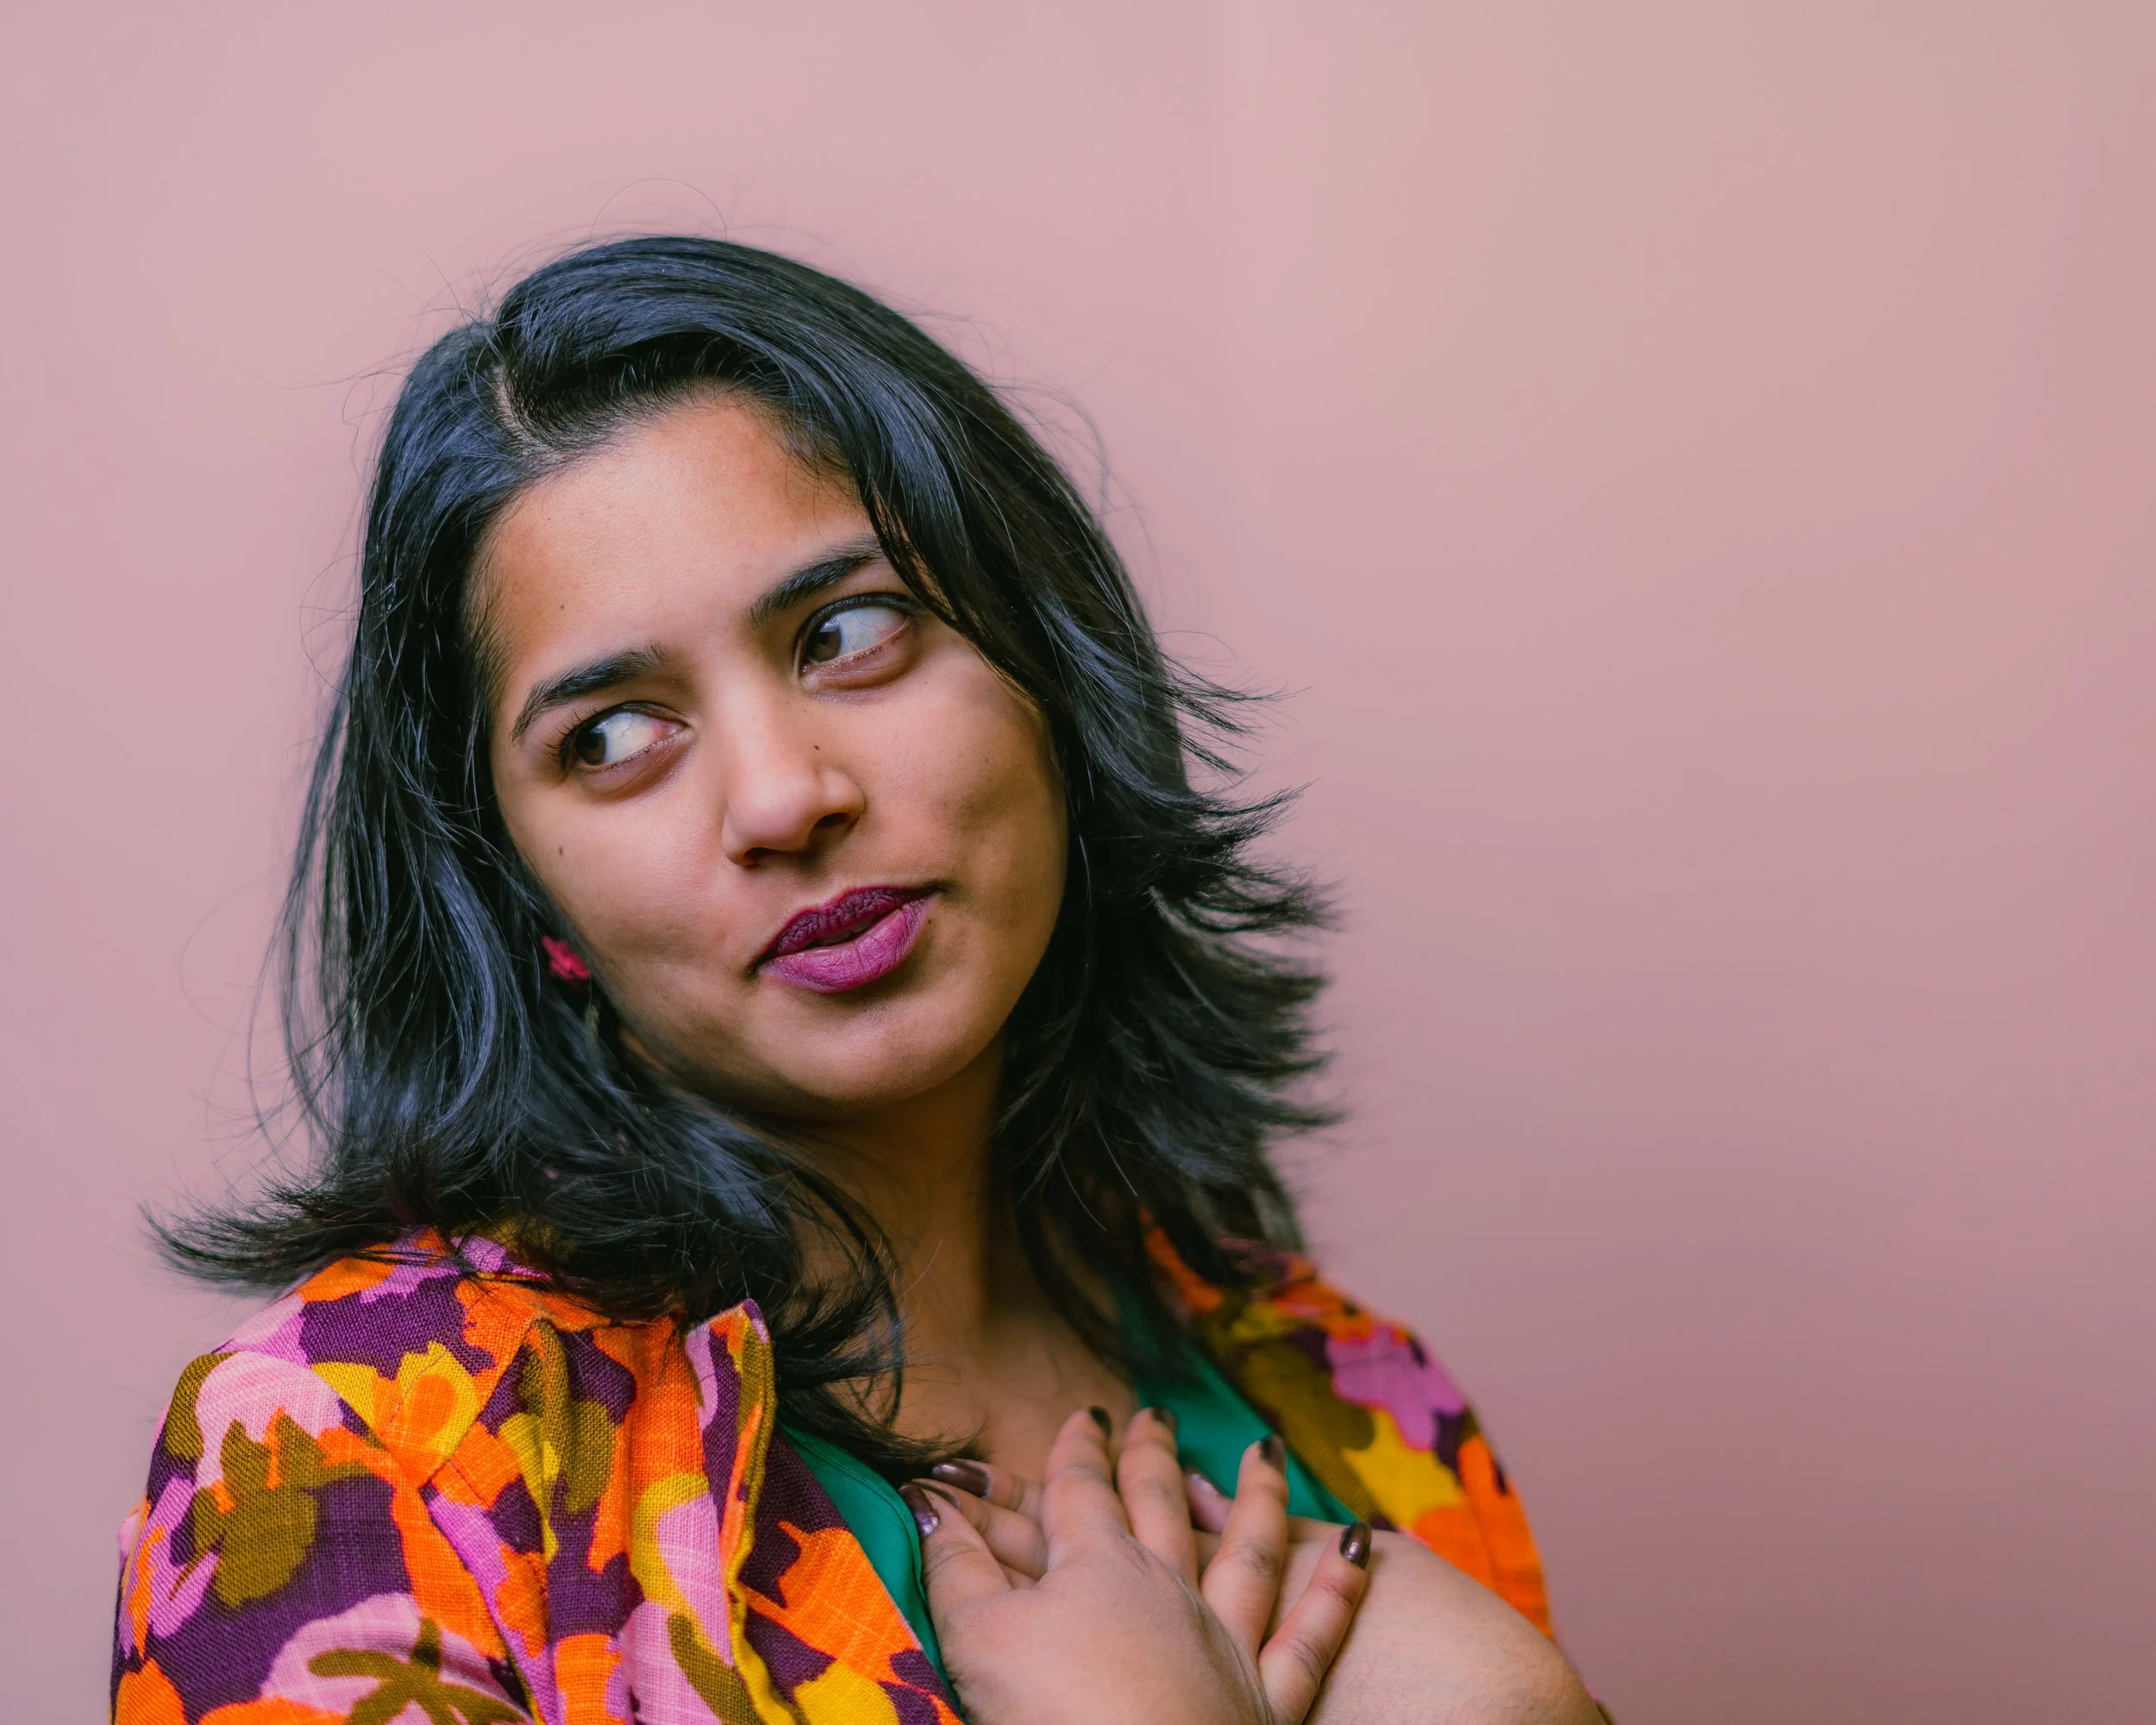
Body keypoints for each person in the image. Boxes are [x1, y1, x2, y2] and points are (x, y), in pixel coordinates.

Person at [110, 236, 1603, 1724]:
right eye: (615, 737)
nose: (781, 796)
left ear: (1049, 677)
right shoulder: (352, 1449)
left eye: (847, 633)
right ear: (526, 899)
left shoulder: (1357, 1400)